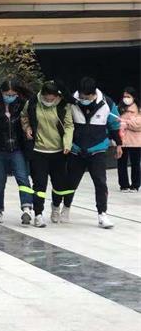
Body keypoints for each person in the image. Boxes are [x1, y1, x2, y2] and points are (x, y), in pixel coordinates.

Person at [52, 78, 122, 229]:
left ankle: (102, 214)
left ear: (94, 93)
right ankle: (65, 207)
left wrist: (119, 144)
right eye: (81, 97)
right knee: (71, 182)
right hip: (76, 150)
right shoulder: (72, 102)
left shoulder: (107, 103)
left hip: (97, 150)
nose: (83, 100)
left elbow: (114, 125)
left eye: (87, 97)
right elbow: (63, 123)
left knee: (100, 183)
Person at [0, 79, 35, 225]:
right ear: (1, 93)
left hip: (17, 148)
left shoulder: (21, 104)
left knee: (23, 178)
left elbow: (27, 121)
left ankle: (27, 207)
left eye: (13, 94)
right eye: (7, 94)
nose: (10, 97)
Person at [21, 80, 74, 228]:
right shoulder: (32, 102)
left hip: (58, 151)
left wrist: (67, 143)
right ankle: (38, 214)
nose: (49, 101)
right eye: (47, 98)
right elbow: (24, 116)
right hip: (39, 150)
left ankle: (56, 206)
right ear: (42, 95)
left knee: (59, 184)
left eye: (52, 99)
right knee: (39, 184)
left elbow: (69, 125)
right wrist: (27, 128)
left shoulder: (63, 105)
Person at [117, 87, 140, 192]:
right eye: (124, 96)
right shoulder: (120, 108)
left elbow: (139, 124)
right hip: (122, 140)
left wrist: (126, 122)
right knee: (121, 163)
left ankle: (135, 185)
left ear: (133, 97)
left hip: (135, 141)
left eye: (128, 96)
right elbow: (116, 122)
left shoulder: (138, 108)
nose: (126, 98)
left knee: (135, 163)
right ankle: (124, 185)